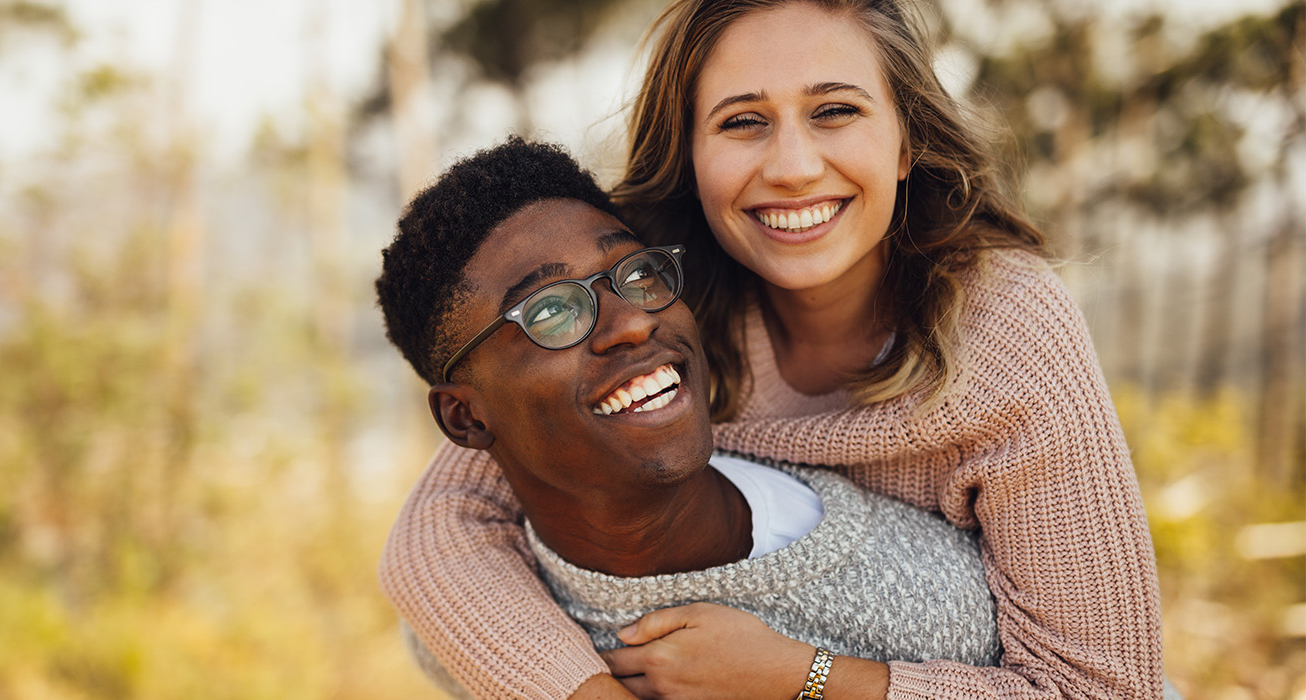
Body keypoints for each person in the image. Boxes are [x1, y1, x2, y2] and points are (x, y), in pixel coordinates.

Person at [379, 0, 1164, 698]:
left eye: (835, 111)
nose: (792, 168)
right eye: (743, 122)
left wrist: (802, 678)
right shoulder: (652, 298)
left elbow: (1105, 687)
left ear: (903, 145)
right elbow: (442, 526)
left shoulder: (1004, 328)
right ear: (692, 157)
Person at [374, 137, 1001, 700]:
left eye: (638, 273)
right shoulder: (467, 634)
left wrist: (809, 681)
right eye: (551, 312)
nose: (635, 320)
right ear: (465, 419)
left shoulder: (921, 603)